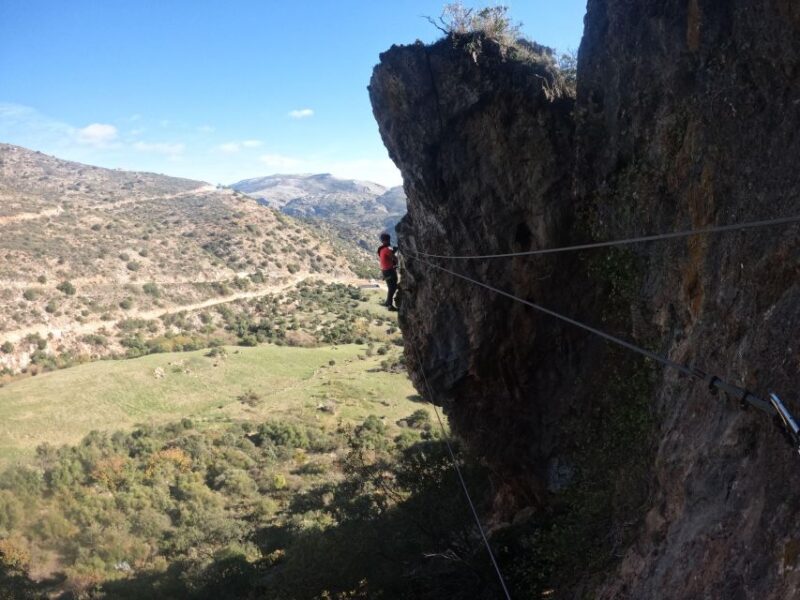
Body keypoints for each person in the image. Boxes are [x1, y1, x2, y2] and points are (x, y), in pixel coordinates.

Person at [377, 232, 398, 311]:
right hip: (389, 271)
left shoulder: (382, 249)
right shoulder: (386, 249)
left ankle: (388, 303)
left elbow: (387, 257)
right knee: (392, 287)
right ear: (388, 240)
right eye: (388, 240)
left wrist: (393, 251)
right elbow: (395, 258)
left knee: (391, 287)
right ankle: (389, 304)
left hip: (385, 271)